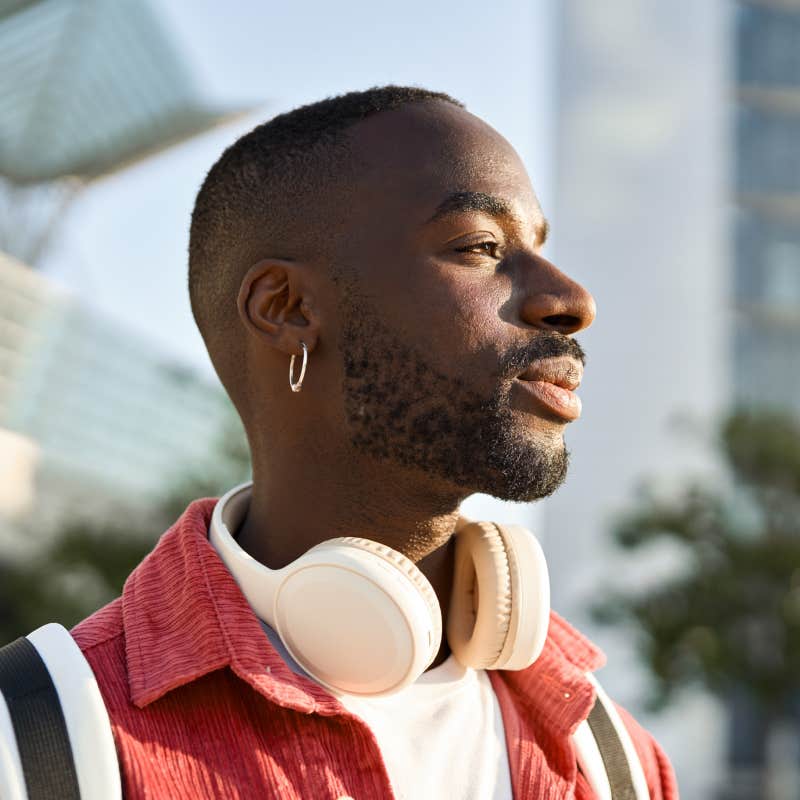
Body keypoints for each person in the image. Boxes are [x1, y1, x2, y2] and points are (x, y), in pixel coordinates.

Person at [67, 86, 677, 798]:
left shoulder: (618, 763)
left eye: (538, 247)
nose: (574, 301)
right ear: (287, 309)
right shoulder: (42, 741)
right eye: (481, 246)